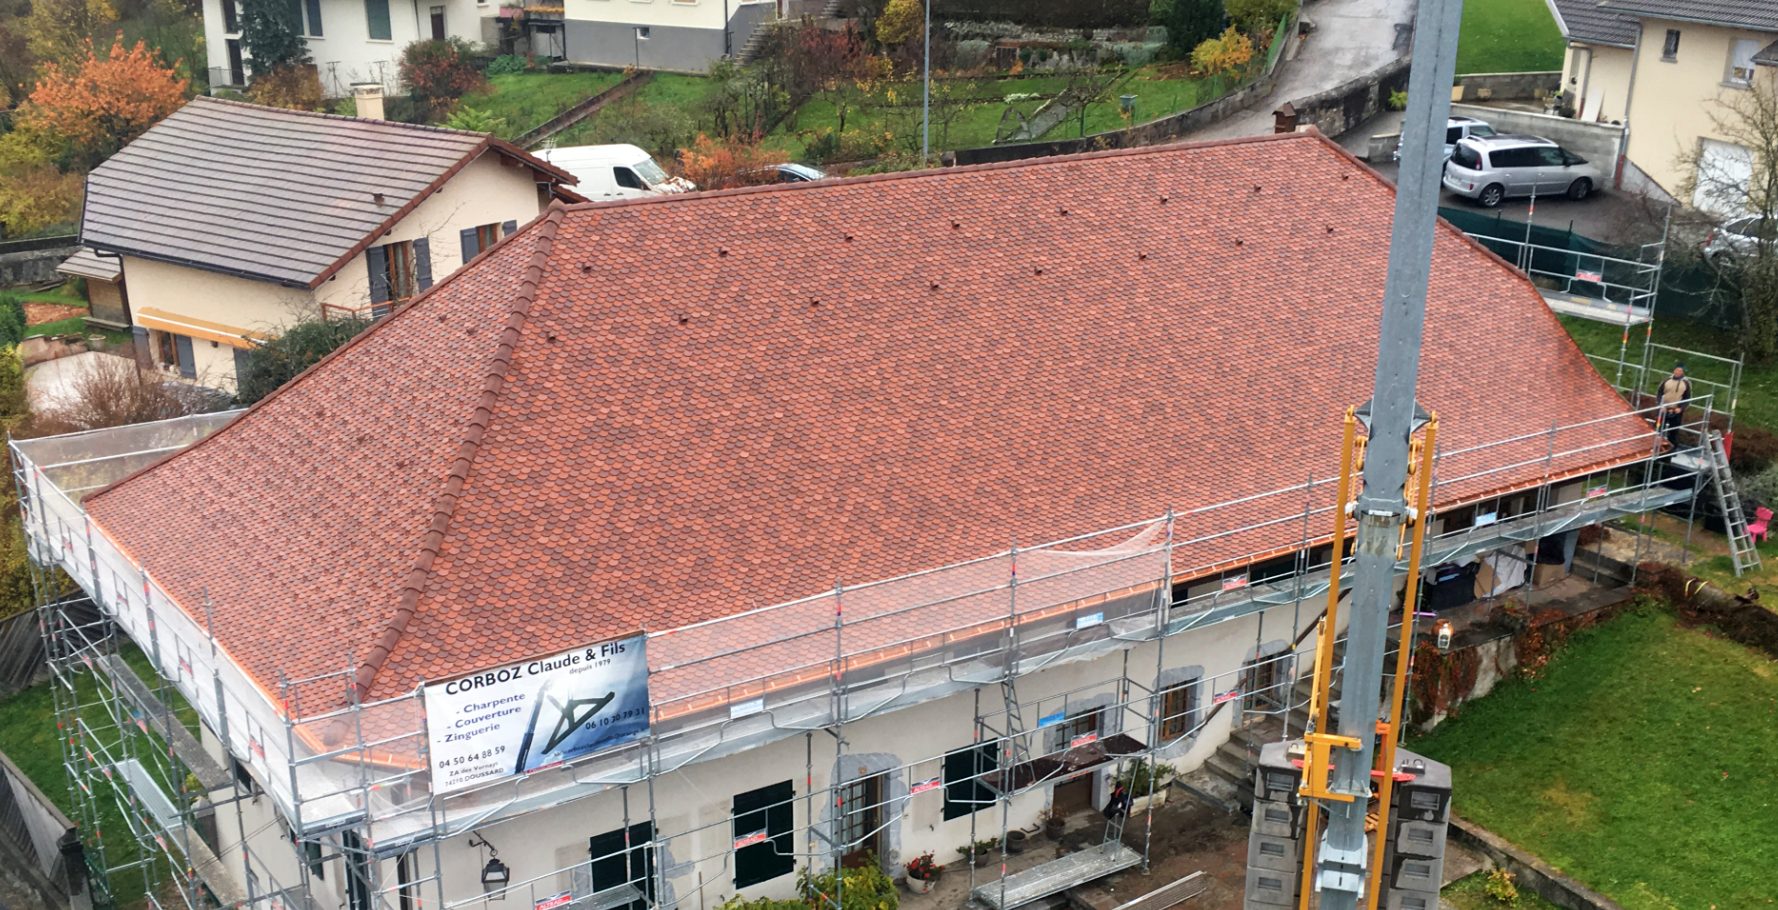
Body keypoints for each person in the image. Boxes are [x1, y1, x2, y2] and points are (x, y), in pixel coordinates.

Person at [1656, 365, 1691, 445]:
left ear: (1683, 373)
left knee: (1673, 432)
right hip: (1663, 409)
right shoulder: (1667, 380)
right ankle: (1657, 446)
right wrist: (1661, 405)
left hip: (1676, 411)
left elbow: (1687, 398)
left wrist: (1681, 408)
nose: (1678, 372)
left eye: (1680, 371)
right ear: (1674, 371)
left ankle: (1672, 448)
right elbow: (1659, 393)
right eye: (1676, 370)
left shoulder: (1685, 383)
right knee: (1658, 428)